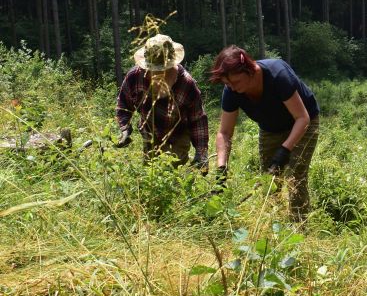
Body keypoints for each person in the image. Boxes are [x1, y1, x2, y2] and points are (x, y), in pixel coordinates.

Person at [210, 46, 320, 220]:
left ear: (250, 70)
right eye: (227, 84)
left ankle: (299, 225)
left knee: (295, 174)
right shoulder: (231, 91)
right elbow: (224, 132)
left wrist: (285, 150)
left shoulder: (278, 75)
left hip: (303, 122)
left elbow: (302, 118)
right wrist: (221, 169)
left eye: (236, 82)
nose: (232, 88)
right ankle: (272, 223)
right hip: (270, 128)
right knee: (270, 178)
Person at [115, 34, 208, 169]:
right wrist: (124, 129)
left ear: (171, 65)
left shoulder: (186, 83)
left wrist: (201, 153)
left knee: (171, 173)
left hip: (178, 135)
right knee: (150, 173)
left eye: (162, 70)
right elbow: (123, 105)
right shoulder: (135, 76)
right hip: (149, 134)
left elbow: (198, 119)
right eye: (152, 70)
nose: (155, 74)